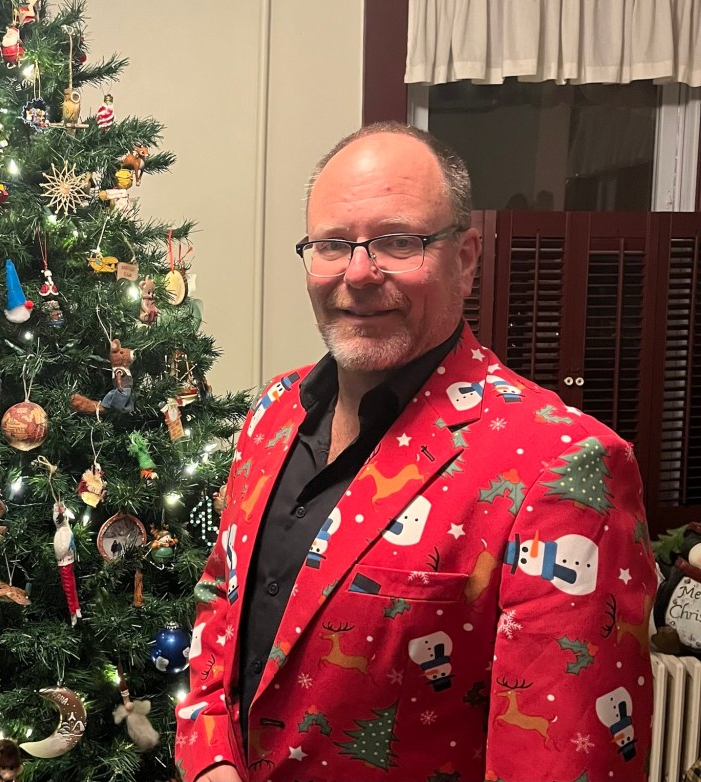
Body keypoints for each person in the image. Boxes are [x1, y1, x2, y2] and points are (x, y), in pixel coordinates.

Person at [174, 123, 656, 782]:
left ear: (465, 258)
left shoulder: (563, 466)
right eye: (332, 244)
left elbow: (559, 762)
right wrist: (210, 763)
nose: (358, 272)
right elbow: (219, 606)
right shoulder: (273, 411)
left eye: (399, 241)